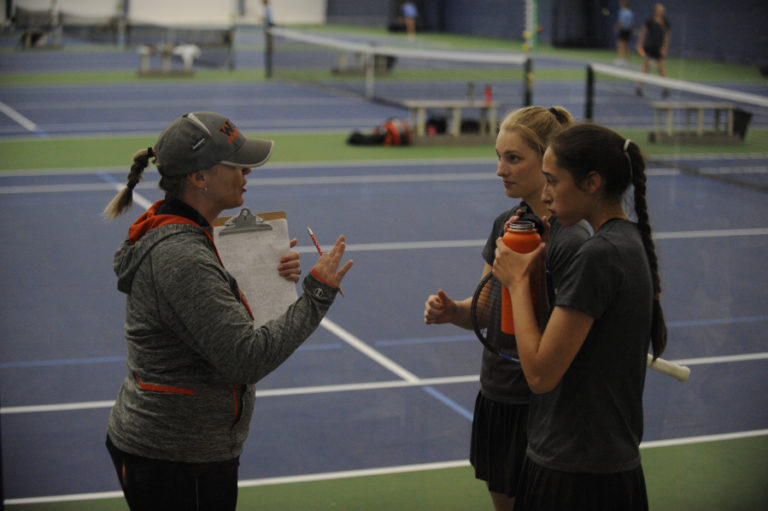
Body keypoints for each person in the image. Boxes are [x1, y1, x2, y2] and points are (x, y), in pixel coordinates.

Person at [102, 111, 353, 511]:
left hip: (179, 450)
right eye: (236, 164)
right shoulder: (183, 255)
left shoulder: (184, 235)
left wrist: (263, 282)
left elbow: (204, 307)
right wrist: (318, 293)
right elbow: (245, 357)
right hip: (178, 460)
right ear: (199, 177)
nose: (247, 172)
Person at [492, 123, 667, 510]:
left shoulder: (598, 255)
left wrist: (518, 284)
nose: (547, 193)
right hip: (610, 466)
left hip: (573, 474)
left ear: (591, 183)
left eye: (553, 181)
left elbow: (539, 374)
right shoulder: (629, 242)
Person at [423, 106, 590, 511]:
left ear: (548, 158)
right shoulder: (506, 224)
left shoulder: (571, 240)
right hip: (497, 397)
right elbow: (484, 310)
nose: (501, 169)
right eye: (499, 157)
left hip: (542, 409)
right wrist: (454, 312)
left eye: (513, 158)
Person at [636, 2, 671, 97]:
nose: (661, 11)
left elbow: (668, 35)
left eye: (662, 10)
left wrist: (665, 47)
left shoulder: (665, 22)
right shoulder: (650, 20)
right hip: (649, 47)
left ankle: (666, 88)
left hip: (659, 49)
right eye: (659, 9)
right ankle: (639, 87)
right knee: (646, 66)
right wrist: (640, 44)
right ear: (656, 10)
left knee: (661, 68)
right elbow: (643, 32)